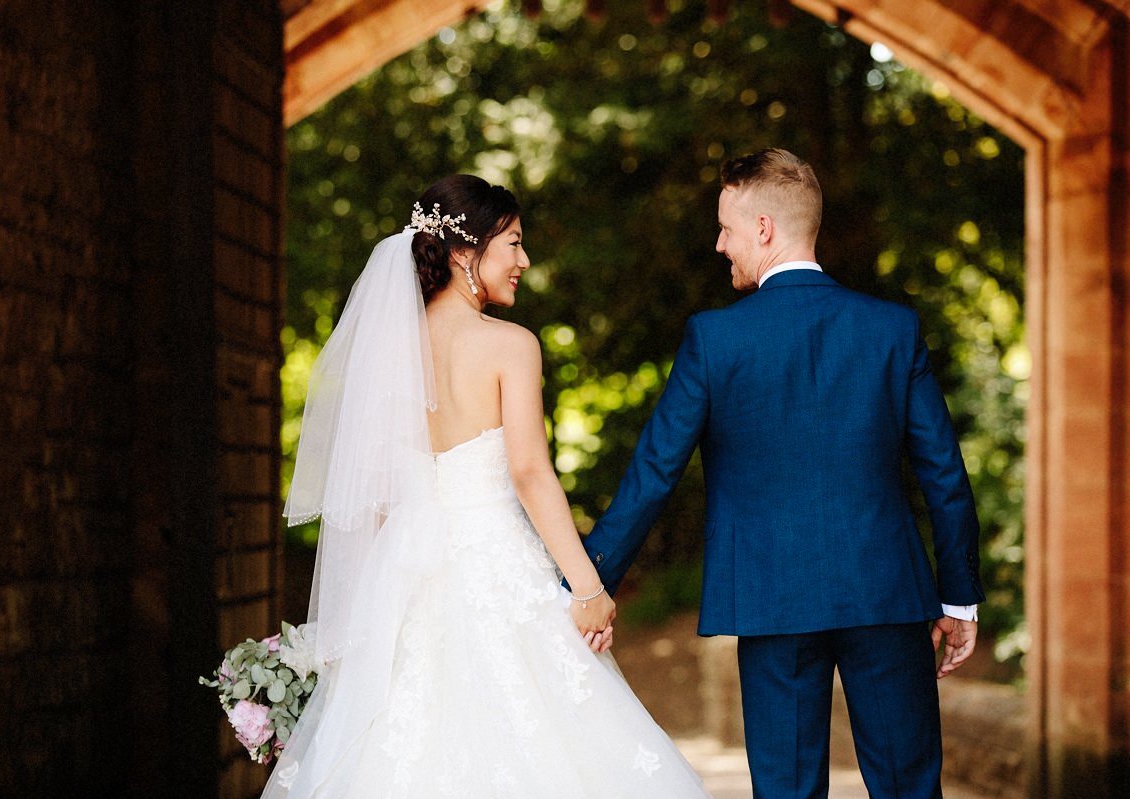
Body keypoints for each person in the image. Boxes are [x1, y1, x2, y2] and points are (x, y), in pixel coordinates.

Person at [263, 175, 710, 798]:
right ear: (463, 253)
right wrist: (588, 588)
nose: (524, 261)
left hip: (408, 575)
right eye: (513, 244)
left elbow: (381, 493)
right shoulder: (509, 345)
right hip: (497, 563)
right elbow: (529, 471)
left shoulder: (389, 349)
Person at [580, 148, 985, 799]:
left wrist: (588, 581)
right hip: (885, 590)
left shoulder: (715, 339)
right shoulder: (890, 329)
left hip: (772, 596)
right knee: (910, 786)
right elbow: (945, 474)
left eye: (726, 228)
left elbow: (654, 472)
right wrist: (959, 596)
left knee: (788, 790)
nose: (719, 244)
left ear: (764, 228)